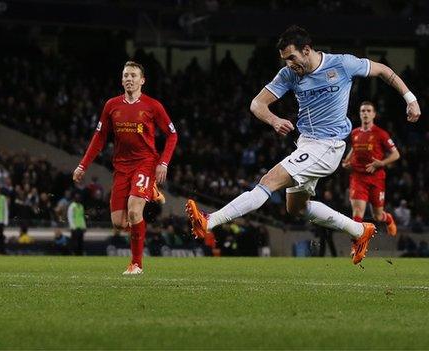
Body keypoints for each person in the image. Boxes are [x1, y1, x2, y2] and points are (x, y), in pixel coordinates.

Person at [186, 25, 420, 265]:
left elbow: (382, 70)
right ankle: (360, 231)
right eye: (285, 60)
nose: (288, 64)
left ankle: (210, 220)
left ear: (306, 50)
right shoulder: (288, 74)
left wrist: (410, 99)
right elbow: (257, 104)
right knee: (297, 208)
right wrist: (274, 120)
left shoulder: (342, 64)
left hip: (328, 145)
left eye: (292, 57)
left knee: (269, 180)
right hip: (306, 145)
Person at [73, 61, 178, 274]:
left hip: (145, 163)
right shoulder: (112, 105)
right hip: (121, 167)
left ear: (142, 80)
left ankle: (136, 264)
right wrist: (82, 165)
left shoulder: (153, 106)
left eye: (133, 75)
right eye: (126, 76)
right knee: (119, 223)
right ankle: (149, 198)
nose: (129, 79)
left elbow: (172, 134)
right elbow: (99, 137)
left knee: (133, 210)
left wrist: (163, 162)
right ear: (122, 80)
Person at [341, 101, 399, 236]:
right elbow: (354, 150)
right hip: (358, 177)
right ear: (360, 114)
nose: (365, 113)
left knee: (377, 216)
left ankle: (388, 218)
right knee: (357, 214)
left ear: (374, 114)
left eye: (368, 111)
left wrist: (381, 163)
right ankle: (357, 245)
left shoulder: (381, 134)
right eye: (363, 111)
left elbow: (396, 154)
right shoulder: (355, 133)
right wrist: (346, 163)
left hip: (376, 178)